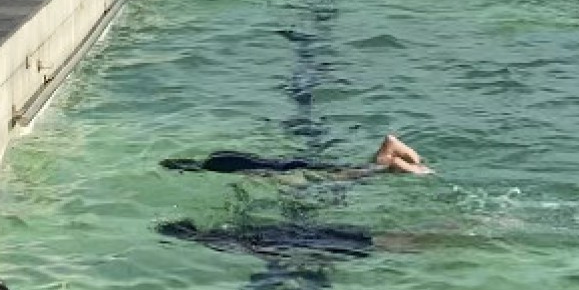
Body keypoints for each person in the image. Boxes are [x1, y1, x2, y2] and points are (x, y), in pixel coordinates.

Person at [160, 133, 433, 178]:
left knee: (352, 176)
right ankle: (388, 151)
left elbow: (264, 176)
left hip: (293, 171)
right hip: (292, 162)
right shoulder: (219, 155)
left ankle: (393, 166)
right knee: (350, 169)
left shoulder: (229, 168)